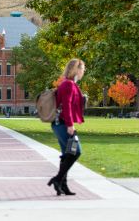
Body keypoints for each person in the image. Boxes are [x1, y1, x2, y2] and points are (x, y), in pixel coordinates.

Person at [48, 58, 85, 196]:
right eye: (82, 69)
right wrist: (70, 125)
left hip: (59, 124)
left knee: (67, 155)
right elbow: (67, 106)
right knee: (76, 151)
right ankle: (58, 179)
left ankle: (63, 186)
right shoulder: (68, 84)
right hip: (63, 124)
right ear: (77, 69)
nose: (83, 72)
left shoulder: (67, 83)